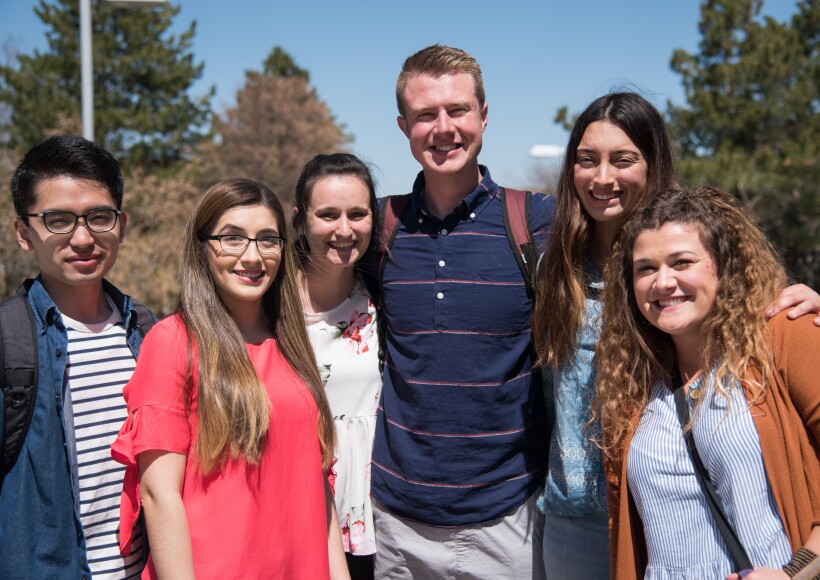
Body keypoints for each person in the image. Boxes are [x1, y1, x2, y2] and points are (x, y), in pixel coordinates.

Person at [531, 92, 820, 578]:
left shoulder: (752, 312)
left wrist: (799, 568)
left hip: (690, 527)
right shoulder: (553, 268)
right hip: (578, 519)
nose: (603, 178)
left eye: (623, 160)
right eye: (587, 160)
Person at [370, 44, 555, 579]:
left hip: (508, 522)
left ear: (485, 116)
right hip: (394, 524)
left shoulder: (539, 222)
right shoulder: (379, 228)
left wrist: (771, 296)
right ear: (404, 125)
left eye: (458, 110)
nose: (443, 128)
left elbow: (657, 257)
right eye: (426, 114)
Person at [111, 178, 349, 579]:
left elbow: (315, 486)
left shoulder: (291, 344)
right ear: (203, 248)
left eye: (268, 239)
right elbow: (158, 495)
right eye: (232, 238)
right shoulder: (173, 342)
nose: (253, 256)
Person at [596, 186, 819, 579]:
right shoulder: (631, 383)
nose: (663, 282)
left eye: (682, 262)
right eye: (646, 268)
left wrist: (794, 572)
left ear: (724, 266)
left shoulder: (785, 335)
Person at [0, 134, 154, 578]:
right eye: (58, 220)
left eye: (98, 217)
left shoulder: (149, 335)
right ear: (24, 234)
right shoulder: (11, 341)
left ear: (121, 225)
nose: (83, 238)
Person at [292, 153, 381, 580]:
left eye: (357, 214)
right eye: (327, 215)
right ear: (300, 220)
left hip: (374, 517)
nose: (344, 230)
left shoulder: (385, 294)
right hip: (293, 508)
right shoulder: (268, 305)